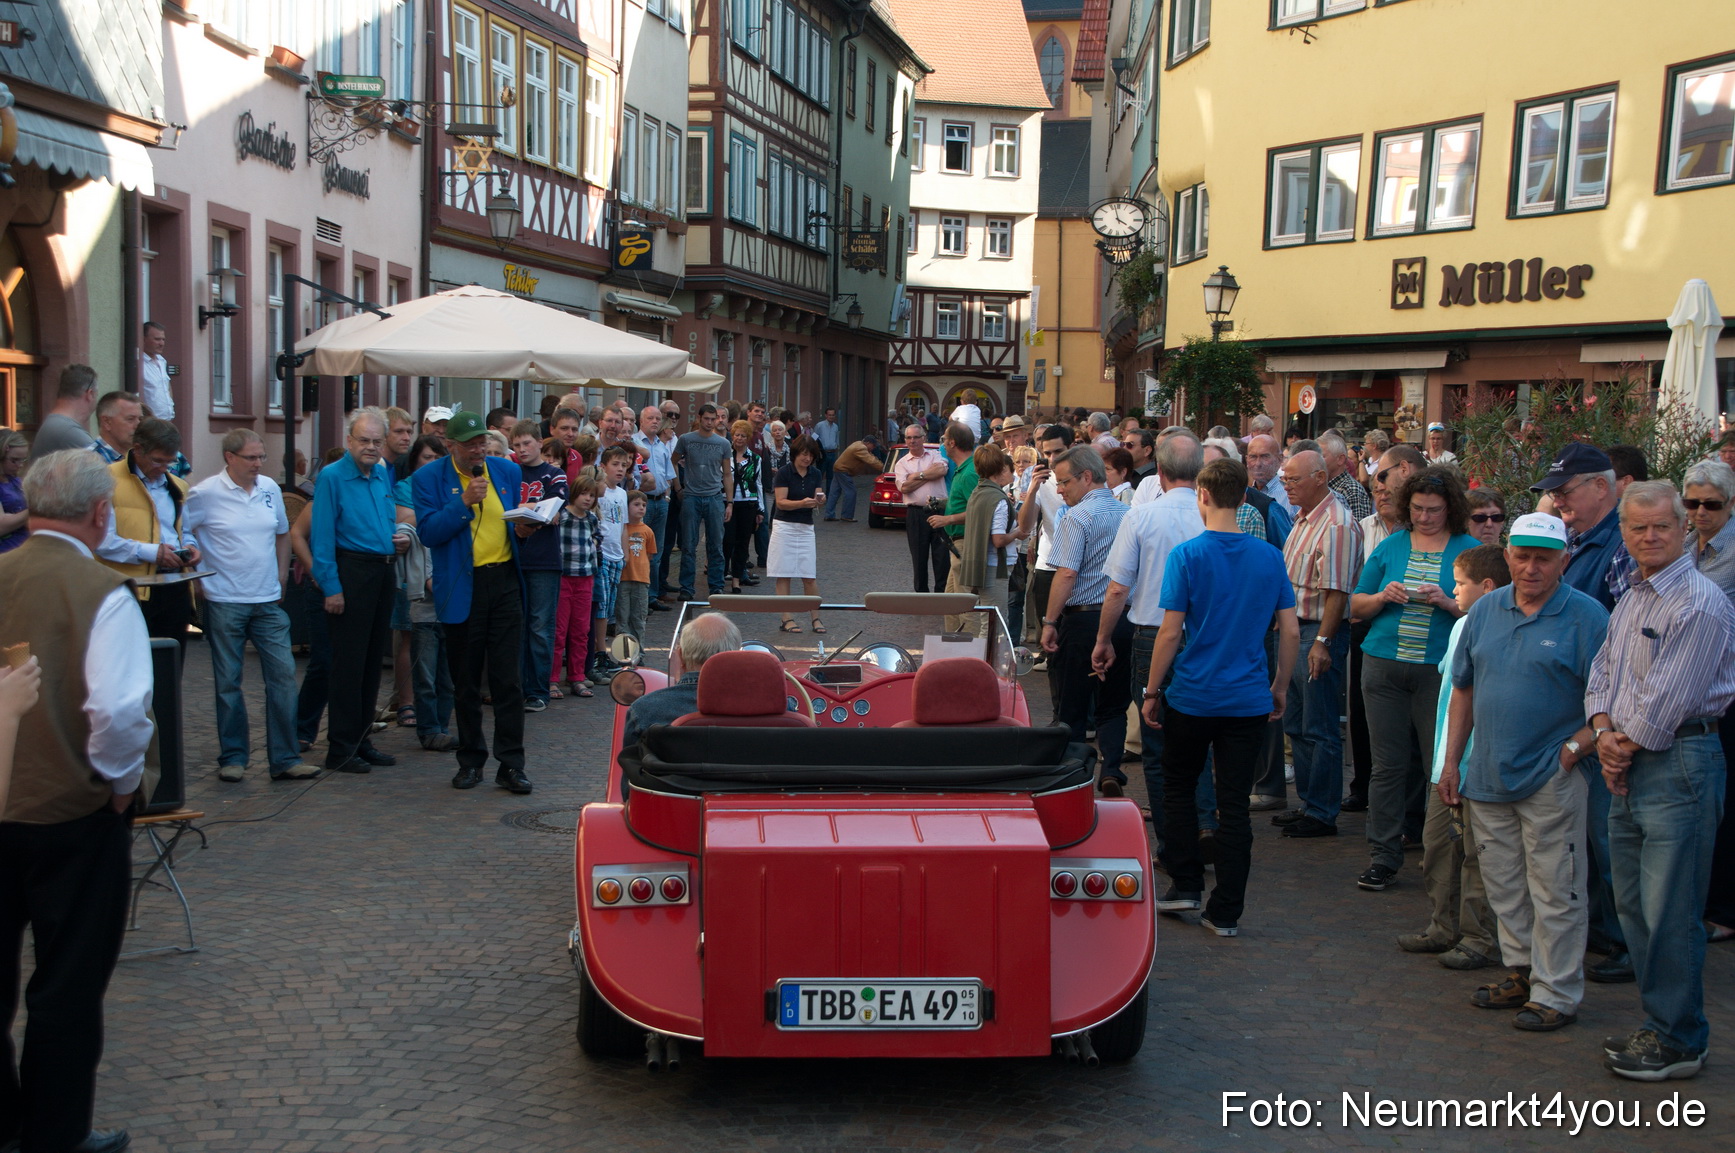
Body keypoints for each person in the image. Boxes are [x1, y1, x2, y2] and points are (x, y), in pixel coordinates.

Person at [0, 448, 152, 1153]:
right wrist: (122, 788)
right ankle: (54, 1136)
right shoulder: (101, 591)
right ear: (100, 512)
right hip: (72, 815)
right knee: (65, 987)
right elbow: (120, 713)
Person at [1439, 512, 1607, 1036]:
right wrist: (1451, 761)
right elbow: (1462, 688)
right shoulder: (1486, 609)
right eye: (1522, 556)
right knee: (1505, 884)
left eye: (1543, 558)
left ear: (1564, 560)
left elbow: (1609, 699)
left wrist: (1572, 751)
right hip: (1486, 773)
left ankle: (1556, 991)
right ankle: (1522, 972)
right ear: (1507, 555)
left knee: (1557, 886)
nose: (1531, 568)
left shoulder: (1587, 617)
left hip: (1550, 775)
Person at [1588, 482, 1735, 1080]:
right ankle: (1661, 1025)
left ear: (1683, 530)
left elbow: (1666, 699)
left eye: (1661, 528)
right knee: (1635, 906)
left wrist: (1617, 746)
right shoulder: (1633, 597)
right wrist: (1602, 730)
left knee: (1670, 908)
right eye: (1638, 528)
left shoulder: (1698, 601)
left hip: (1679, 761)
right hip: (1629, 759)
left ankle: (1681, 1037)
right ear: (1623, 532)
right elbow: (1603, 671)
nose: (1650, 537)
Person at [1142, 458, 1299, 937]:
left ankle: (1186, 882)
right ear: (1244, 496)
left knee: (1179, 789)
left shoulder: (1188, 556)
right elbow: (1289, 629)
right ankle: (1226, 909)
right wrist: (1279, 686)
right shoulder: (1270, 557)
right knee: (1234, 804)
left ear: (1203, 497)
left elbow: (1170, 633)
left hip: (1193, 695)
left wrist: (1151, 691)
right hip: (1248, 698)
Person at [1348, 466, 1479, 891]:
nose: (1425, 517)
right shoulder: (1391, 546)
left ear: (1451, 509)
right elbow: (1357, 604)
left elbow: (1487, 616)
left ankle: (1440, 855)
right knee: (1386, 766)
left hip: (1439, 673)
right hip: (1383, 664)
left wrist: (1448, 603)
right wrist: (1383, 595)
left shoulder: (1468, 550)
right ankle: (1383, 855)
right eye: (1418, 509)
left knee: (1437, 765)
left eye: (1435, 510)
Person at [1400, 543, 1508, 970]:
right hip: (1446, 761)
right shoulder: (1462, 625)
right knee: (1438, 847)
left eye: (1460, 584)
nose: (1453, 590)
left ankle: (1478, 936)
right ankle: (1443, 926)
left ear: (1486, 586)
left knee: (1476, 856)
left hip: (1475, 762)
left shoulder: (1492, 627)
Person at [412, 410, 532, 794]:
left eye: (482, 442)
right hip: (463, 586)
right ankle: (470, 760)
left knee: (507, 680)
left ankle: (511, 764)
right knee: (464, 682)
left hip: (504, 581)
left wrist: (528, 527)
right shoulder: (428, 478)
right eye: (471, 445)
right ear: (451, 446)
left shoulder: (506, 471)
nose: (479, 450)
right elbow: (429, 533)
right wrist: (463, 502)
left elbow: (512, 522)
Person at [184, 430, 314, 783]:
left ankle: (285, 757)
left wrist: (282, 575)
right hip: (224, 599)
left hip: (268, 599)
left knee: (284, 676)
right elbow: (184, 533)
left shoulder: (269, 488)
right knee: (228, 681)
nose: (258, 464)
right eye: (251, 457)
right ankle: (234, 756)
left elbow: (282, 532)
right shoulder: (205, 493)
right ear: (230, 457)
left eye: (261, 457)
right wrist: (197, 576)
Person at [1097, 433, 1204, 807]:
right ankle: (1202, 821)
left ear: (1159, 472)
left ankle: (1174, 836)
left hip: (1151, 635)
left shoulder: (1142, 515)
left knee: (1157, 743)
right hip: (1202, 636)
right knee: (1197, 736)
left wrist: (1103, 639)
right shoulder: (1212, 517)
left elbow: (1117, 589)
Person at [1274, 449, 1363, 838]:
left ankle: (1322, 811)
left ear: (1320, 477)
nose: (1286, 486)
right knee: (1296, 722)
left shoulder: (1337, 525)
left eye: (1293, 479)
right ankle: (1310, 803)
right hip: (1297, 629)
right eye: (1286, 479)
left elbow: (1337, 593)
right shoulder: (1305, 519)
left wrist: (1323, 642)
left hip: (1316, 631)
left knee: (1320, 724)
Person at [311, 409, 404, 775]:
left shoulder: (382, 472)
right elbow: (321, 537)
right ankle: (341, 746)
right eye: (363, 441)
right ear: (349, 441)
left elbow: (384, 517)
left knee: (369, 665)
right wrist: (332, 588)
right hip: (351, 571)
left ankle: (362, 739)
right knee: (348, 665)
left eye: (376, 441)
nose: (370, 447)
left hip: (382, 570)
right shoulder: (332, 477)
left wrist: (395, 539)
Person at [1041, 447, 1133, 786]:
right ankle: (1111, 768)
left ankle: (1075, 778)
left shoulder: (1075, 517)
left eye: (1064, 482)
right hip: (1123, 619)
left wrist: (1050, 622)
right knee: (1114, 704)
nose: (1060, 490)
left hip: (1082, 620)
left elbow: (1066, 574)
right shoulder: (1129, 514)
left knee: (1074, 704)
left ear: (1087, 477)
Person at [1681, 461, 1735, 945]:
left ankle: (1723, 908)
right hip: (1688, 689)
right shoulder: (1682, 546)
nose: (1700, 513)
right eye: (1692, 503)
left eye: (1711, 505)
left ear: (1730, 505)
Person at [94, 417, 200, 647]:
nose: (164, 469)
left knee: (169, 665)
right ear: (138, 449)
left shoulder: (178, 486)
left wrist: (191, 548)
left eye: (169, 463)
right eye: (158, 461)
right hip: (130, 588)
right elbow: (101, 542)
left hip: (175, 585)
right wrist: (153, 552)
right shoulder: (106, 480)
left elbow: (185, 531)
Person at [396, 436, 456, 749]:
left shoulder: (450, 499)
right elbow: (406, 529)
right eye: (426, 457)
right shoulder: (415, 498)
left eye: (437, 458)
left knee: (446, 675)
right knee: (426, 674)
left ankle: (440, 727)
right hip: (427, 604)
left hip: (452, 603)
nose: (432, 464)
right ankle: (429, 728)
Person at [619, 613, 743, 751]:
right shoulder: (763, 710)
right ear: (736, 657)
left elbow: (630, 768)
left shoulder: (644, 710)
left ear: (681, 656)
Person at [510, 420, 567, 711]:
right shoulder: (509, 472)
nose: (521, 450)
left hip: (544, 561)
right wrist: (535, 510)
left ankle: (538, 690)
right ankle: (515, 687)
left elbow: (555, 506)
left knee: (540, 627)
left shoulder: (553, 473)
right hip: (514, 558)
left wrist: (521, 511)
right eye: (516, 445)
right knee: (516, 626)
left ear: (539, 442)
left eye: (527, 444)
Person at [673, 404, 733, 601]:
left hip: (715, 496)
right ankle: (686, 587)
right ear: (699, 418)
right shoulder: (686, 440)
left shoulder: (723, 443)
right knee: (689, 545)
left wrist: (729, 501)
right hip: (691, 496)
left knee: (716, 544)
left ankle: (716, 587)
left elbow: (727, 474)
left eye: (712, 419)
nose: (709, 422)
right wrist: (678, 487)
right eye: (706, 419)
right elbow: (672, 461)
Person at [927, 423, 982, 635]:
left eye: (944, 439)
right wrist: (944, 503)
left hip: (965, 544)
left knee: (963, 606)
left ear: (952, 443)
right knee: (950, 603)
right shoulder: (963, 469)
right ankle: (953, 651)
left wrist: (947, 519)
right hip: (958, 545)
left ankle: (971, 656)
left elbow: (979, 512)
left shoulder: (969, 473)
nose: (942, 443)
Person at [956, 444, 1017, 634]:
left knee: (988, 621)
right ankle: (986, 663)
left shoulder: (978, 491)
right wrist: (1019, 532)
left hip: (980, 564)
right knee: (995, 625)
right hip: (994, 566)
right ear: (1000, 467)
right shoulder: (997, 498)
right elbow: (998, 540)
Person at [770, 436, 826, 634]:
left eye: (811, 455)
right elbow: (781, 502)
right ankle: (787, 618)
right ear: (796, 454)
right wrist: (803, 503)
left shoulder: (815, 473)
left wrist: (820, 499)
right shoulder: (785, 473)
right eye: (804, 454)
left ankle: (816, 618)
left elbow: (818, 495)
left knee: (808, 575)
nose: (807, 458)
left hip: (805, 527)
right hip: (784, 526)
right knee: (783, 574)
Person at [555, 476, 604, 698]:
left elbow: (598, 537)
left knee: (581, 631)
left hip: (586, 578)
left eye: (592, 495)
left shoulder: (591, 518)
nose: (587, 498)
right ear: (574, 493)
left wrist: (593, 544)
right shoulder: (563, 516)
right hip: (564, 578)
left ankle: (576, 676)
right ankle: (551, 678)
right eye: (584, 493)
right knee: (558, 631)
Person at [894, 424, 950, 592]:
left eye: (916, 437)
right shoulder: (901, 463)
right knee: (919, 557)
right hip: (916, 514)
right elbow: (904, 488)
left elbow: (940, 470)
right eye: (909, 438)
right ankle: (921, 595)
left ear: (923, 438)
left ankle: (941, 596)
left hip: (939, 511)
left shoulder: (936, 455)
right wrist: (927, 474)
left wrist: (916, 476)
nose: (912, 441)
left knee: (942, 557)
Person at [723, 420, 764, 594]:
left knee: (743, 542)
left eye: (743, 435)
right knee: (727, 540)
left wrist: (760, 509)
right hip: (727, 502)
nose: (739, 438)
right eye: (737, 435)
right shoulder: (724, 455)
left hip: (748, 503)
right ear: (732, 436)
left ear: (748, 438)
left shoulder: (755, 459)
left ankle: (737, 579)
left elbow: (758, 483)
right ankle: (721, 574)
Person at [30, 366, 100, 459]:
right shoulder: (69, 432)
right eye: (96, 394)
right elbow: (103, 470)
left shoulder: (57, 425)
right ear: (90, 394)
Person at [1319, 431, 1375, 523]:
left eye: (1322, 456)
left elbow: (1358, 532)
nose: (1318, 460)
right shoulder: (1324, 485)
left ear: (1340, 459)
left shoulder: (1351, 490)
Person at [829, 435, 885, 523]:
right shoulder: (861, 448)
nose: (873, 448)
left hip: (838, 468)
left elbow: (871, 457)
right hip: (844, 470)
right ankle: (847, 515)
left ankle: (829, 514)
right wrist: (885, 468)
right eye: (873, 446)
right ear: (868, 443)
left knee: (834, 493)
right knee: (851, 492)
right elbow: (871, 461)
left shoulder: (858, 444)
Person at [87, 392, 142, 464]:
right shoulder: (88, 462)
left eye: (140, 419)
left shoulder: (143, 460)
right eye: (130, 419)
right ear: (106, 422)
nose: (138, 425)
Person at [1245, 433, 1293, 514]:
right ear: (1247, 460)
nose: (1258, 463)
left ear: (1280, 459)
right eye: (1253, 457)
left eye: (1265, 457)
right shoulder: (1242, 494)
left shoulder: (1290, 496)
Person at [137, 320, 174, 423]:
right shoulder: (139, 363)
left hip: (167, 420)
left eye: (163, 339)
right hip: (149, 423)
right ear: (143, 339)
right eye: (157, 339)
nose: (162, 343)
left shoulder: (162, 361)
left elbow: (166, 385)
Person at [0, 432, 27, 553]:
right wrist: (36, 509)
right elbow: (2, 526)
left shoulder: (14, 480)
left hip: (23, 548)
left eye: (23, 460)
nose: (20, 465)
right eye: (14, 460)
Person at [811, 407, 842, 505]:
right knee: (819, 475)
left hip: (832, 452)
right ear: (826, 415)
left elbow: (836, 439)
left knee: (831, 476)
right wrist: (817, 451)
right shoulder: (820, 425)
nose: (831, 417)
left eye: (833, 415)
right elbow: (814, 437)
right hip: (823, 453)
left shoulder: (836, 427)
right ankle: (818, 496)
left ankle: (829, 497)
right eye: (829, 415)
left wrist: (837, 448)